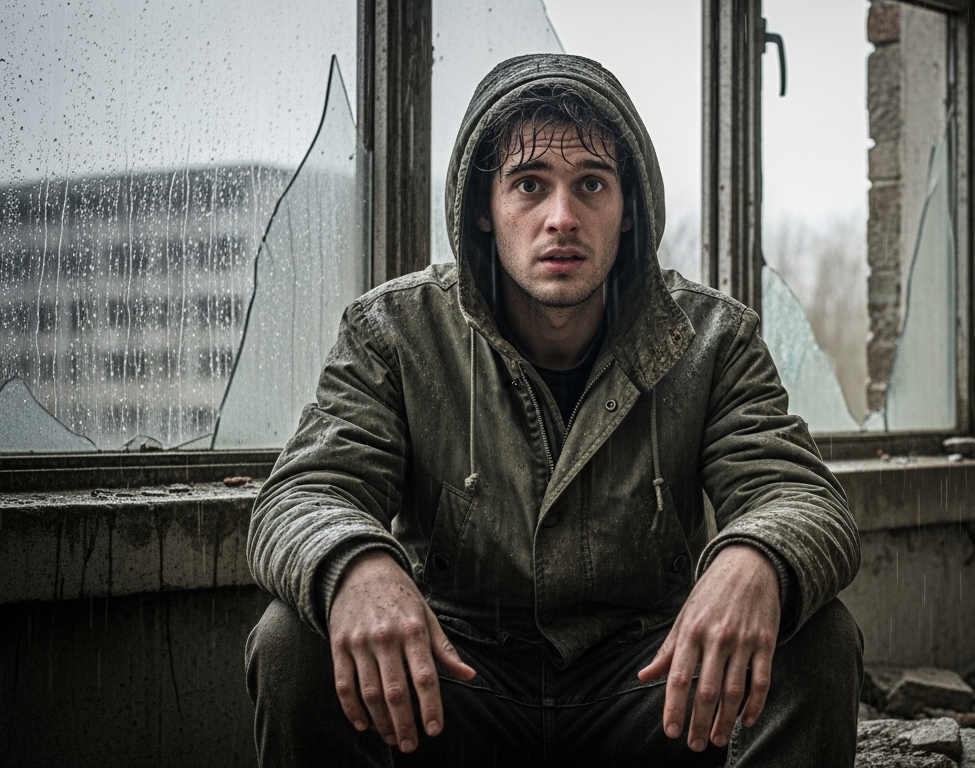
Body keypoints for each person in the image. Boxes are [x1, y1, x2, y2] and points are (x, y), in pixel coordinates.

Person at [245, 53, 862, 767]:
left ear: (628, 209)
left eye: (591, 184)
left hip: (657, 692)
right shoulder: (395, 332)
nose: (561, 218)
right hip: (452, 688)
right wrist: (354, 564)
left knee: (818, 637)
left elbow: (801, 495)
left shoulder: (712, 339)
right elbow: (302, 493)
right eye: (529, 185)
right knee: (291, 641)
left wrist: (758, 555)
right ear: (484, 208)